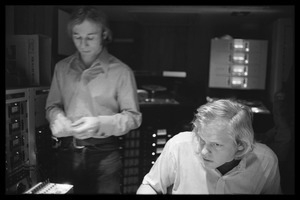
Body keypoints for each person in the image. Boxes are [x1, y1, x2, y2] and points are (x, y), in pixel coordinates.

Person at [45, 6, 142, 194]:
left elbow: (133, 117)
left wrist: (99, 123)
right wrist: (57, 118)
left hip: (105, 155)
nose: (83, 43)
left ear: (104, 34)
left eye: (90, 37)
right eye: (77, 36)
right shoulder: (61, 68)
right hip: (67, 152)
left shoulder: (121, 71)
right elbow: (52, 106)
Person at [136, 99, 281, 194]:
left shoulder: (266, 161)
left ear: (240, 146)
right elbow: (150, 186)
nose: (203, 151)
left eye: (216, 144)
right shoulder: (179, 146)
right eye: (201, 139)